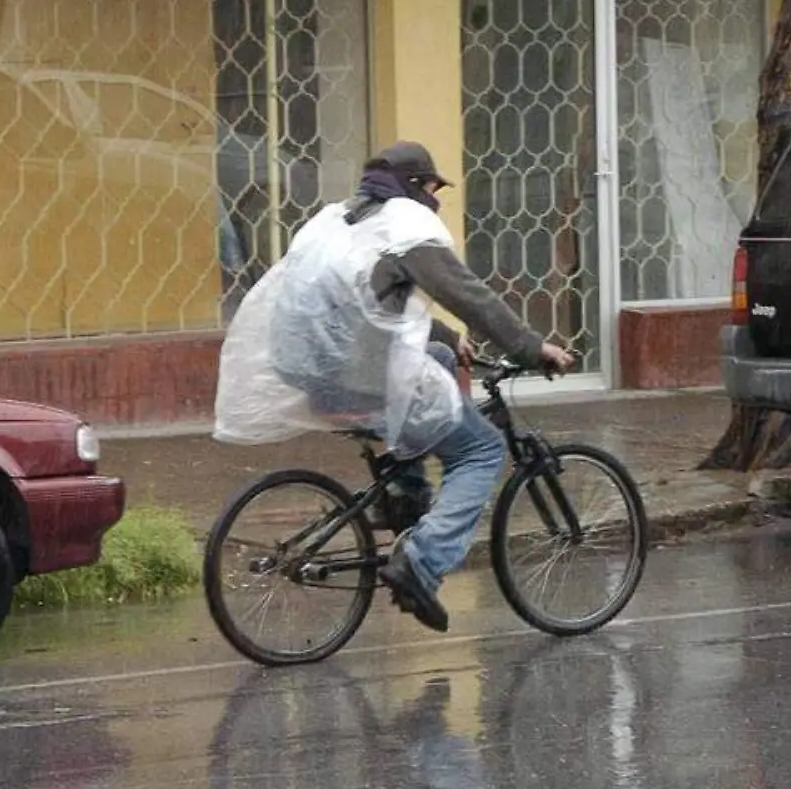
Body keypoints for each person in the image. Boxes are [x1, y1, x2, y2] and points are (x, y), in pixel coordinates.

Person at [214, 141, 574, 633]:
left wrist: (445, 337)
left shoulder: (340, 220)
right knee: (482, 451)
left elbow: (364, 305)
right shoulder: (406, 221)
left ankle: (405, 498)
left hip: (304, 367)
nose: (436, 199)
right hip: (352, 373)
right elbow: (466, 293)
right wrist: (532, 348)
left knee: (440, 361)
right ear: (416, 185)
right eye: (432, 187)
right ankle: (421, 562)